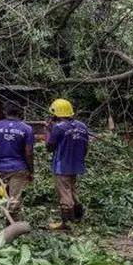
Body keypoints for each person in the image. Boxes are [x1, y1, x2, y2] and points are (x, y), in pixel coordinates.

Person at [0, 100, 35, 223]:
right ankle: (11, 224)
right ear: (20, 112)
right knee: (14, 199)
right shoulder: (27, 129)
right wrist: (31, 170)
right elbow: (29, 152)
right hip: (19, 168)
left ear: (4, 111)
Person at [45, 98, 89, 231]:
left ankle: (67, 223)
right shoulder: (82, 126)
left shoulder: (58, 127)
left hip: (62, 165)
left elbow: (49, 147)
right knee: (71, 188)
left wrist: (48, 131)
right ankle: (78, 215)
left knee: (64, 192)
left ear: (56, 113)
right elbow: (86, 147)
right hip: (76, 164)